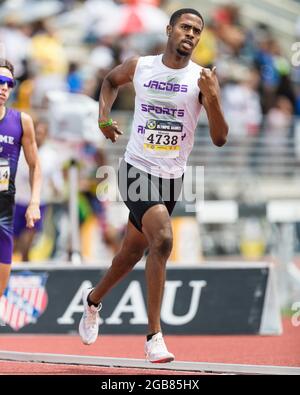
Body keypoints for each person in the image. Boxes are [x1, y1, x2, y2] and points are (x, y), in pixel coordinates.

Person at [79, 8, 228, 363]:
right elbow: (109, 82)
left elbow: (221, 138)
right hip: (134, 169)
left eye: (196, 30)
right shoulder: (141, 66)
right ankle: (153, 336)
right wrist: (103, 118)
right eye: (184, 27)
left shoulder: (202, 78)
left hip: (172, 178)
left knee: (130, 254)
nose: (190, 34)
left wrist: (213, 97)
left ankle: (92, 300)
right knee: (162, 239)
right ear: (169, 30)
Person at [0, 59, 41, 315]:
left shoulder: (21, 121)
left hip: (4, 203)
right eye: (0, 82)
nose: (4, 87)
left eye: (9, 83)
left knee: (3, 267)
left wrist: (34, 202)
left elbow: (36, 166)